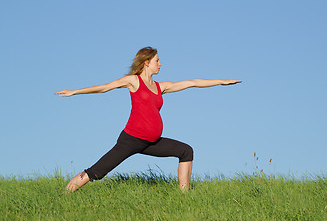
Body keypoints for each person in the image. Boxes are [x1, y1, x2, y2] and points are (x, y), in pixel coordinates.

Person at [54, 46, 241, 192]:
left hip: (151, 142)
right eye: (157, 61)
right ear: (146, 62)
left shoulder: (161, 87)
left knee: (186, 151)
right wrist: (75, 92)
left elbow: (191, 83)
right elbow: (105, 87)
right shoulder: (133, 81)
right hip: (131, 140)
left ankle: (184, 196)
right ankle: (64, 196)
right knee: (96, 172)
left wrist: (220, 82)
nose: (161, 64)